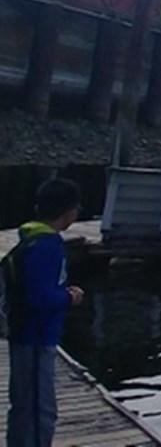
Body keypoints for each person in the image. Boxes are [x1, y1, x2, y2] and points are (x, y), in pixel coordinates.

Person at [4, 179, 85, 447]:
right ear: (69, 212)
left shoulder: (30, 239)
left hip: (23, 335)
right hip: (36, 338)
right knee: (41, 411)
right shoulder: (47, 246)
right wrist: (69, 297)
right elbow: (39, 297)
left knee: (23, 406)